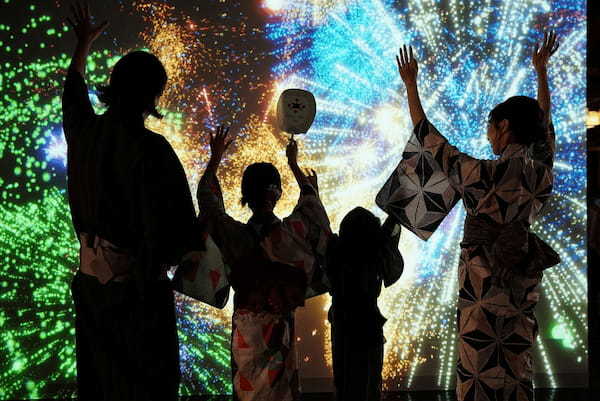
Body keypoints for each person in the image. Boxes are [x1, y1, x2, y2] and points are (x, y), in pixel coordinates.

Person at [387, 32, 561, 401]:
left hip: (481, 291)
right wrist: (541, 73)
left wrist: (411, 85)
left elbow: (429, 138)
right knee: (516, 369)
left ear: (504, 128)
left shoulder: (482, 175)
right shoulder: (540, 175)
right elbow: (545, 133)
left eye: (492, 127)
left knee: (478, 371)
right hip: (519, 288)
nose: (488, 136)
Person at [63, 4, 203, 400]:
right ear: (152, 95)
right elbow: (177, 233)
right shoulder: (151, 149)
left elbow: (72, 93)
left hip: (91, 289)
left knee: (100, 383)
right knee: (146, 387)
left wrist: (83, 45)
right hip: (138, 296)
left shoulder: (84, 132)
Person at [196, 128, 331, 401]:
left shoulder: (234, 235)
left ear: (245, 194)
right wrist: (294, 165)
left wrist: (215, 159)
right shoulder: (290, 234)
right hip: (280, 325)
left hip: (245, 326)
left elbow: (208, 204)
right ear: (277, 193)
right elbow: (312, 208)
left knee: (247, 389)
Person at [326, 207, 403, 401]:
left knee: (345, 383)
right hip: (367, 326)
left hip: (343, 325)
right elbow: (386, 235)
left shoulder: (335, 254)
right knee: (368, 383)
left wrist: (312, 192)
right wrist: (396, 211)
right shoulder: (375, 255)